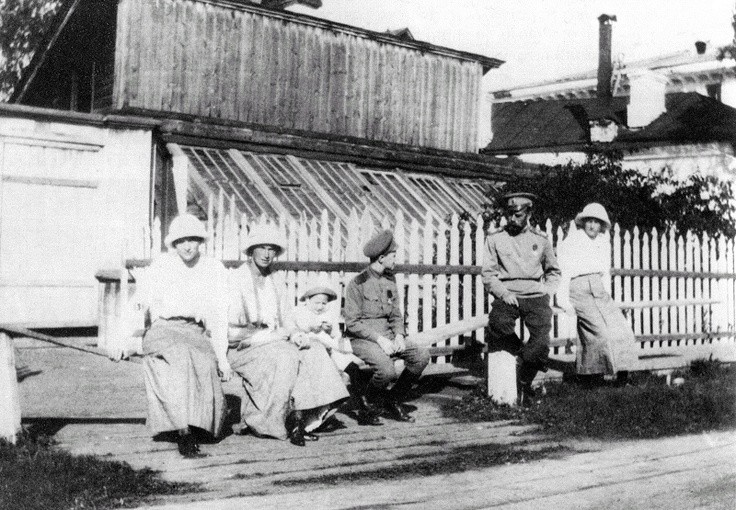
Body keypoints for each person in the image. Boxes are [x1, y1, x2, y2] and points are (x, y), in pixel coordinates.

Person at [227, 225, 349, 446]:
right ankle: (270, 421)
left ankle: (302, 420)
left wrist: (296, 334)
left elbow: (287, 318)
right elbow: (229, 328)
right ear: (251, 250)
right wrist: (273, 335)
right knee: (287, 357)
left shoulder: (276, 279)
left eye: (271, 249)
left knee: (313, 349)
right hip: (244, 345)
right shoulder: (236, 279)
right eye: (262, 248)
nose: (267, 254)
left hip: (276, 339)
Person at [125, 213, 231, 458]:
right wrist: (124, 340)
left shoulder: (213, 268)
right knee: (180, 357)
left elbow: (219, 316)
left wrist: (222, 358)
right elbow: (139, 303)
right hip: (164, 330)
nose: (187, 246)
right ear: (173, 243)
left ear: (200, 241)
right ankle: (183, 432)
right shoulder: (161, 266)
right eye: (181, 241)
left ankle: (199, 424)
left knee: (205, 363)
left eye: (192, 239)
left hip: (194, 331)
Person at [482, 192, 561, 407]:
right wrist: (503, 293)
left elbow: (553, 271)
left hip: (535, 295)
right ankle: (524, 355)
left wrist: (546, 291)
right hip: (507, 294)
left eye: (517, 215)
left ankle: (524, 382)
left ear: (529, 214)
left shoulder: (541, 240)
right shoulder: (495, 238)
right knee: (498, 324)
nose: (512, 219)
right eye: (509, 214)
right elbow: (488, 274)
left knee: (541, 342)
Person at [344, 230, 430, 424]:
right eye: (393, 255)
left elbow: (396, 314)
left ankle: (393, 399)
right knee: (387, 371)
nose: (395, 260)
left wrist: (399, 335)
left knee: (421, 356)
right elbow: (352, 323)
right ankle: (367, 404)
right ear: (381, 258)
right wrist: (379, 339)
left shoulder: (390, 280)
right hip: (363, 339)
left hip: (389, 336)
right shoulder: (357, 283)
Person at [557, 203, 637, 386]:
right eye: (589, 221)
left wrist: (606, 297)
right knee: (599, 332)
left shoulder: (603, 242)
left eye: (597, 222)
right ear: (583, 222)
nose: (592, 225)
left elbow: (604, 273)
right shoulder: (572, 241)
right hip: (579, 289)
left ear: (602, 225)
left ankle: (623, 378)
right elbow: (563, 273)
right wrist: (564, 302)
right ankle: (592, 378)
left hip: (599, 290)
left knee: (621, 329)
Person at [293, 284, 370, 427]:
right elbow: (302, 327)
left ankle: (364, 408)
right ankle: (322, 415)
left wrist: (330, 330)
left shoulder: (328, 315)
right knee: (326, 376)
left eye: (324, 303)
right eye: (317, 303)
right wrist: (317, 326)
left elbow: (335, 335)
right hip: (311, 349)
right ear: (308, 301)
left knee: (353, 368)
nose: (320, 307)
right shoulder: (301, 312)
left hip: (330, 348)